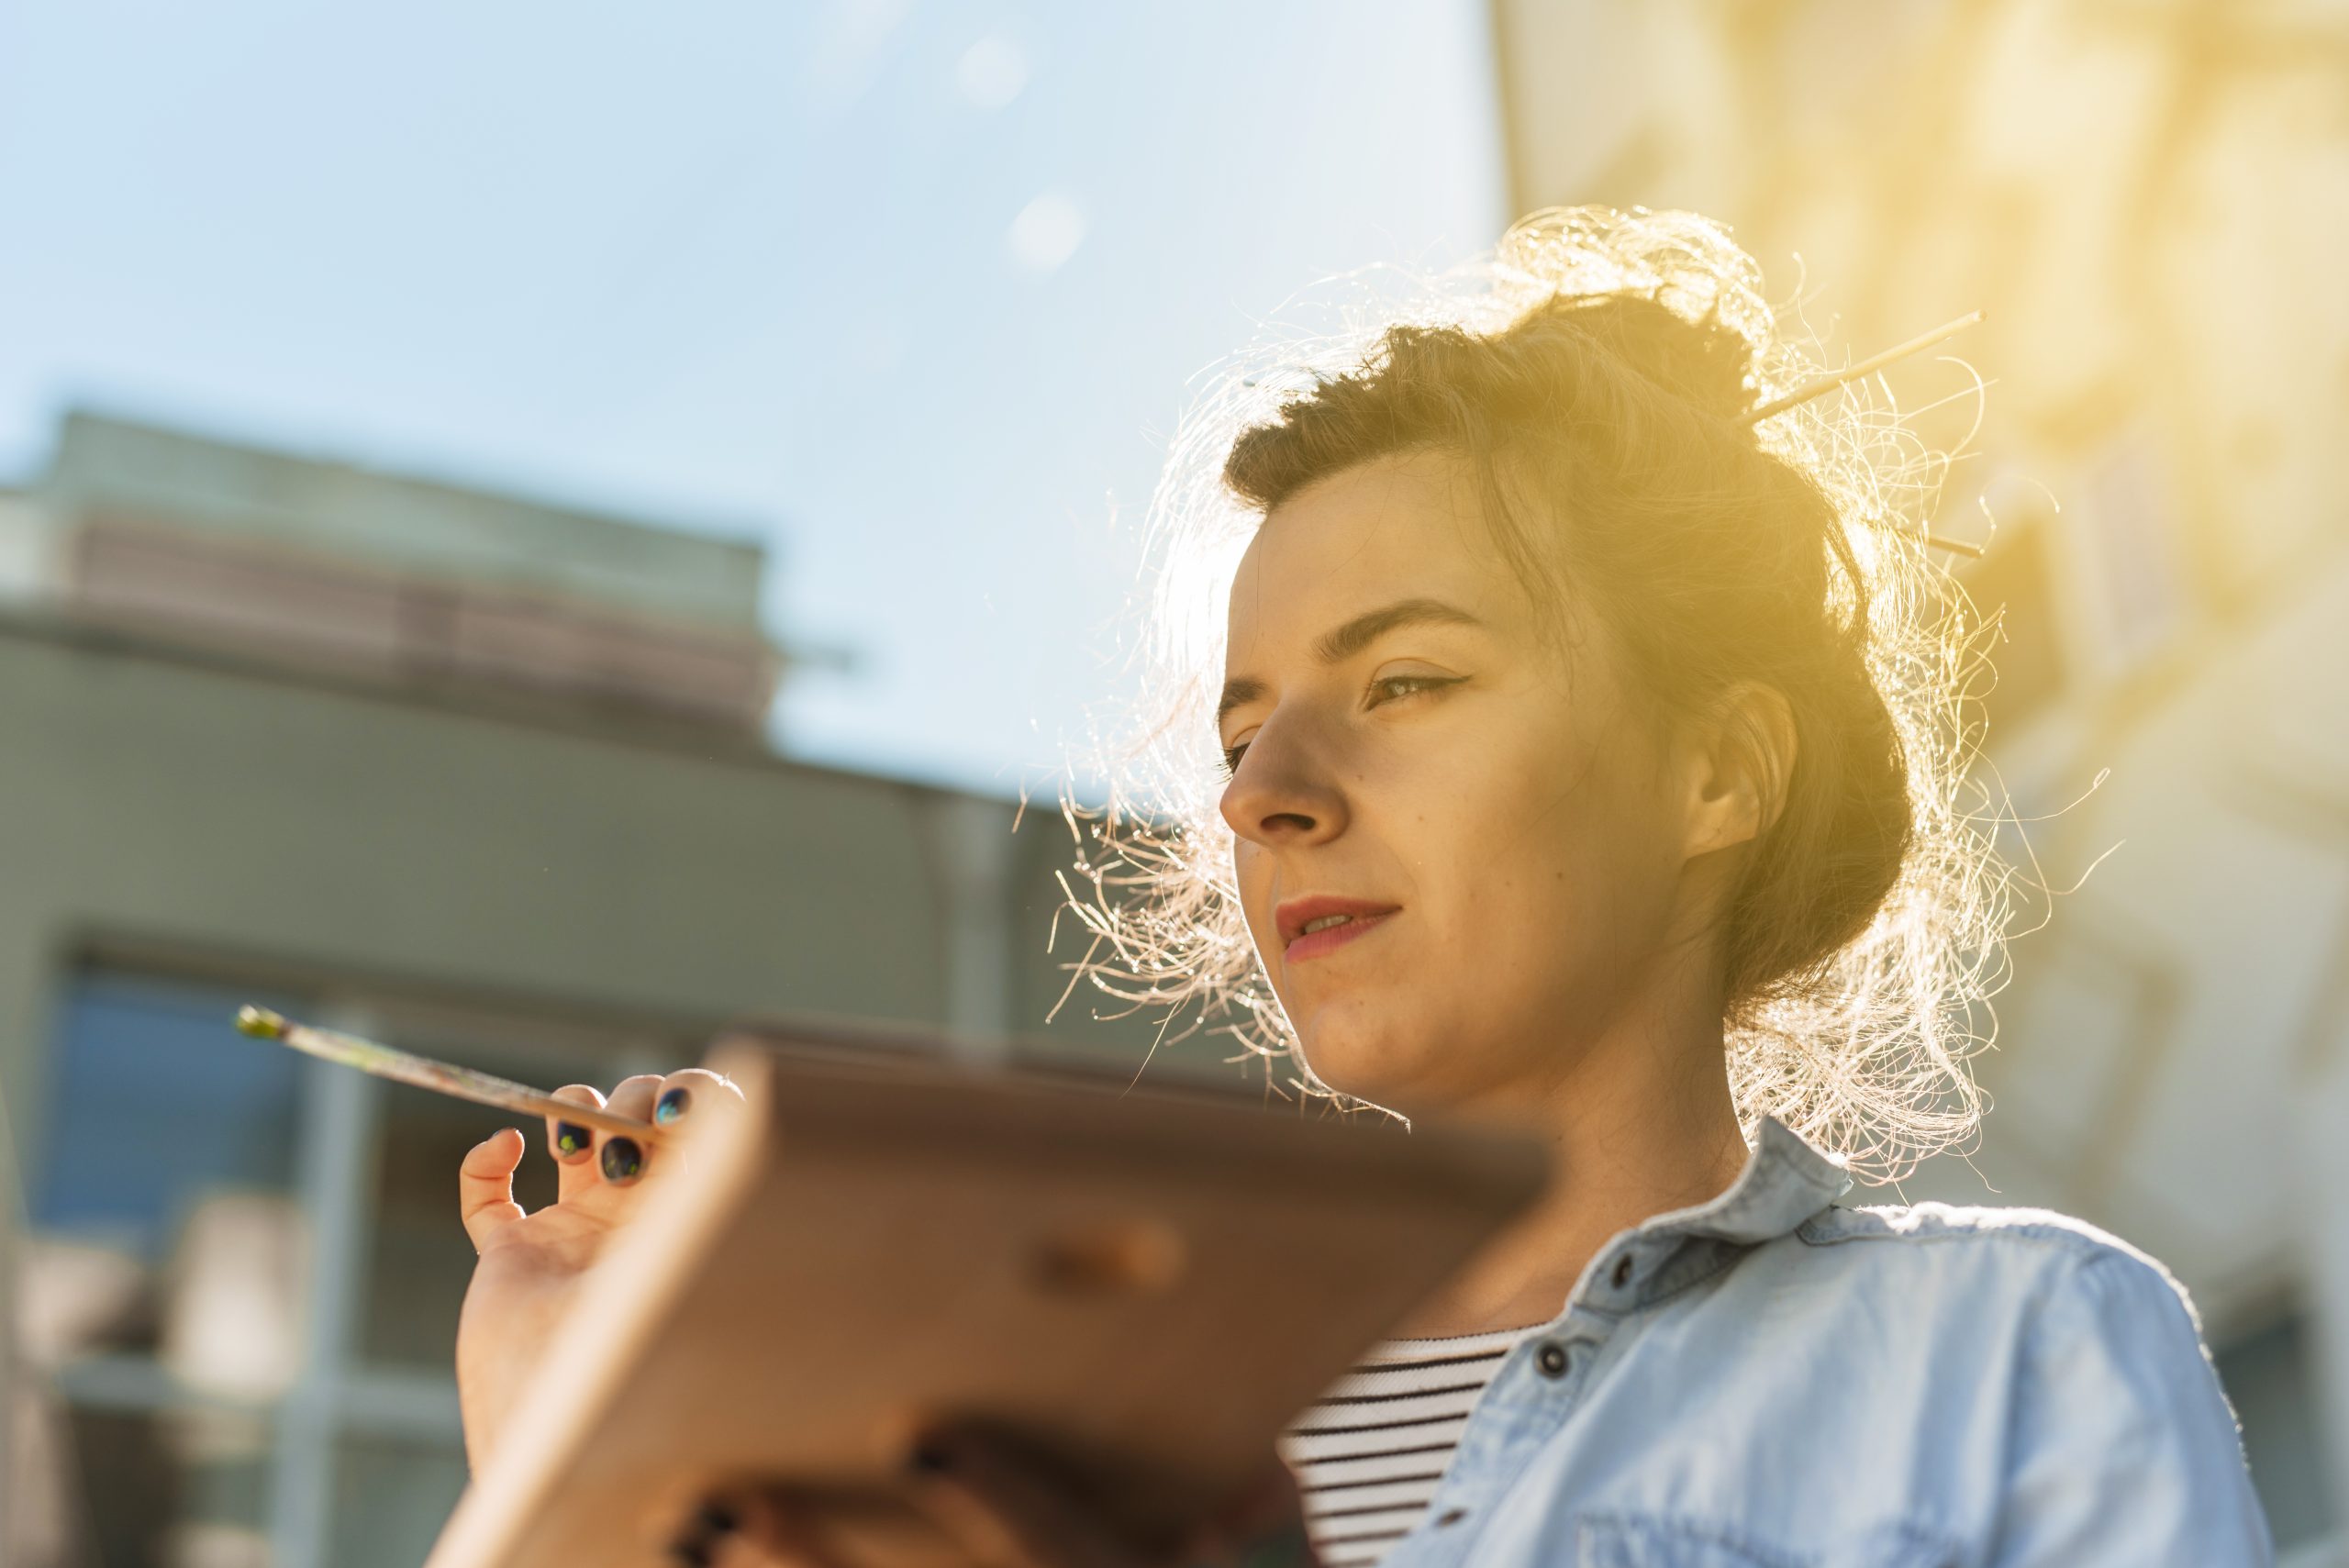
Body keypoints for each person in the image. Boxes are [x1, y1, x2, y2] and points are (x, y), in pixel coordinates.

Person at [453, 207, 2276, 1567]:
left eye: (1403, 682)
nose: (1262, 796)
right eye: (1241, 732)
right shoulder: (1045, 1431)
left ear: (1716, 767)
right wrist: (577, 1455)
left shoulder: (2010, 1352)